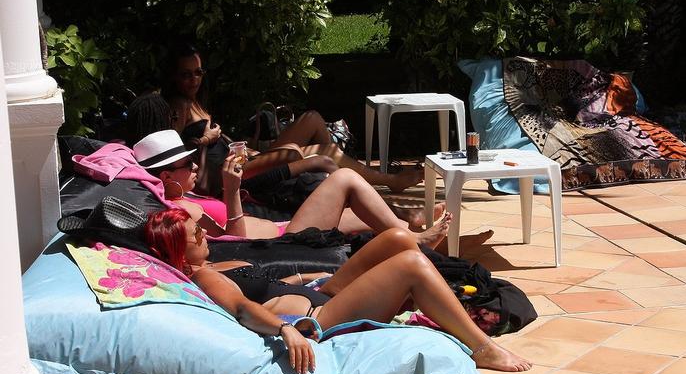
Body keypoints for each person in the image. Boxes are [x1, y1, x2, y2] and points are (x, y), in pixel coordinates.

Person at [144, 208, 532, 374]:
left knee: (395, 239)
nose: (204, 232)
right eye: (195, 233)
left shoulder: (215, 264)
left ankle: (430, 269)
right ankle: (481, 347)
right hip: (319, 319)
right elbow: (244, 309)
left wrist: (313, 276)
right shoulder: (205, 278)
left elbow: (269, 285)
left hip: (319, 293)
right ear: (179, 249)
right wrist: (285, 329)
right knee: (410, 265)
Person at [161, 44, 422, 194]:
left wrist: (241, 148)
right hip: (227, 174)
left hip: (243, 159)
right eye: (186, 75)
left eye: (198, 72)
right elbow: (174, 154)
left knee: (314, 121)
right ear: (173, 76)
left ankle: (356, 180)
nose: (194, 79)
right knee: (306, 152)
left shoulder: (195, 101)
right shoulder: (178, 106)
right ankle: (378, 182)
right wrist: (206, 139)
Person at [133, 129, 450, 246]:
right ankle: (415, 240)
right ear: (166, 176)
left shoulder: (185, 196)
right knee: (345, 179)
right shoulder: (179, 212)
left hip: (282, 229)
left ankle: (418, 238)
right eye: (187, 164)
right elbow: (235, 242)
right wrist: (231, 191)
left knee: (362, 216)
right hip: (281, 244)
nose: (195, 167)